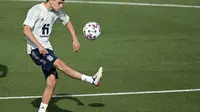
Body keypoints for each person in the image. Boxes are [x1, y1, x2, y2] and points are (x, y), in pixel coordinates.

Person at [22, 0, 103, 112]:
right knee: (61, 64)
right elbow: (26, 30)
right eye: (59, 2)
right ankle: (91, 79)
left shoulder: (56, 12)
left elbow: (67, 21)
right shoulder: (36, 10)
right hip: (36, 50)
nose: (61, 6)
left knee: (52, 81)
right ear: (51, 0)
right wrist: (39, 46)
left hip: (47, 49)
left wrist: (74, 38)